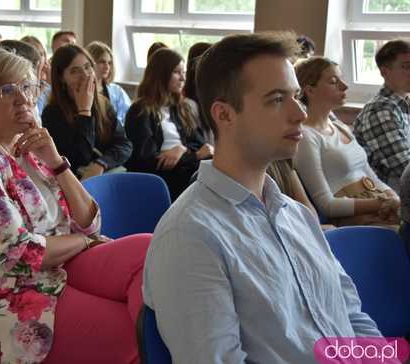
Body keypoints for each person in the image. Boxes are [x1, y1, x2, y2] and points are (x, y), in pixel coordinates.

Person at [144, 32, 382, 363]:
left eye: (296, 96)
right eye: (276, 99)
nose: (299, 113)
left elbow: (352, 316)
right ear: (224, 115)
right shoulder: (190, 235)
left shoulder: (296, 215)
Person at [0, 48, 150, 363]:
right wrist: (85, 243)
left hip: (54, 267)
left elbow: (89, 222)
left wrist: (57, 162)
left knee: (146, 251)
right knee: (127, 329)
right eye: (7, 90)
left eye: (27, 87)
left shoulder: (29, 148)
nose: (22, 99)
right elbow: (17, 252)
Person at [294, 56, 399, 226]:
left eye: (341, 79)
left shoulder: (339, 126)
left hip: (377, 202)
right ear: (310, 90)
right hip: (355, 216)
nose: (344, 86)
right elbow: (327, 205)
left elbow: (370, 176)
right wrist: (382, 203)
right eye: (334, 81)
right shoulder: (307, 136)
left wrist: (393, 197)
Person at [125, 48, 212, 201]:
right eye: (177, 72)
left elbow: (200, 144)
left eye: (183, 72)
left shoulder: (180, 107)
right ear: (161, 74)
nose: (183, 78)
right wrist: (194, 156)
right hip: (161, 177)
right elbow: (147, 161)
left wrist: (181, 150)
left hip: (185, 166)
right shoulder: (140, 111)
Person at [42, 44, 132, 179]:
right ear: (61, 78)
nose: (85, 75)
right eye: (75, 71)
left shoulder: (104, 104)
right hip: (75, 185)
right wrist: (84, 111)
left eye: (87, 67)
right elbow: (80, 158)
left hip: (104, 176)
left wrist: (101, 164)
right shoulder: (52, 113)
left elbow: (124, 145)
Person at [353, 39, 410, 193]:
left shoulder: (402, 103)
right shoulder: (381, 110)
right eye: (406, 66)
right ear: (384, 72)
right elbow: (404, 169)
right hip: (386, 195)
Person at [86, 41, 131, 125]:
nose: (107, 67)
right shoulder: (81, 90)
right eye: (102, 62)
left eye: (109, 63)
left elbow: (127, 117)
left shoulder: (117, 91)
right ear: (90, 62)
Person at [22, 35, 52, 115]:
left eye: (41, 53)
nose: (38, 57)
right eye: (32, 54)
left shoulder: (46, 84)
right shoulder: (23, 83)